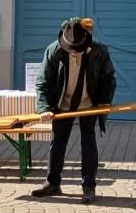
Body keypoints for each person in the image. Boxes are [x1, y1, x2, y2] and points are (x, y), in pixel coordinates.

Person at [31, 16, 117, 201]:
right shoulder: (54, 51)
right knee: (58, 141)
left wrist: (103, 102)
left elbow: (108, 79)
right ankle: (53, 183)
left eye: (78, 50)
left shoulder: (99, 51)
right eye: (72, 49)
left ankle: (89, 186)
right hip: (63, 104)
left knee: (88, 143)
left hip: (88, 104)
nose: (75, 53)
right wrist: (44, 107)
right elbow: (42, 82)